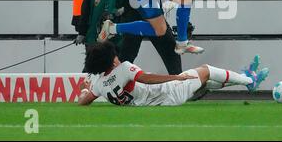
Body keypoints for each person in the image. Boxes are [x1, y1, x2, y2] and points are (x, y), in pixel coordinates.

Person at [77, 40, 270, 106]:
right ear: (111, 59)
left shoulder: (100, 84)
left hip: (153, 99)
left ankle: (244, 76)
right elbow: (147, 79)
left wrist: (86, 90)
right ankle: (249, 80)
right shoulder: (124, 68)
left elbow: (82, 102)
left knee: (204, 80)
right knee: (206, 70)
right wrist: (176, 77)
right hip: (166, 94)